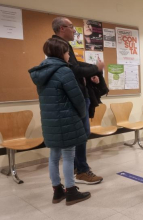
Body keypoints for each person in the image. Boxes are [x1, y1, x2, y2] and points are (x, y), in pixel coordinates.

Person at [29, 38, 91, 205]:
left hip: (50, 121)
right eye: (66, 52)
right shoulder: (64, 71)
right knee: (69, 156)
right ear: (60, 53)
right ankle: (71, 191)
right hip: (67, 119)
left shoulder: (40, 72)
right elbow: (77, 98)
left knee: (54, 156)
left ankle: (57, 191)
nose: (68, 56)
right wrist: (82, 114)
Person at [52, 17, 104, 184]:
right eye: (72, 27)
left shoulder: (65, 46)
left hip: (79, 97)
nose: (75, 31)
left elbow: (76, 66)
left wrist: (91, 72)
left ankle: (77, 169)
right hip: (75, 99)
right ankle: (81, 171)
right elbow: (73, 70)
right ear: (62, 28)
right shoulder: (59, 46)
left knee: (81, 135)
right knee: (80, 136)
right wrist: (95, 68)